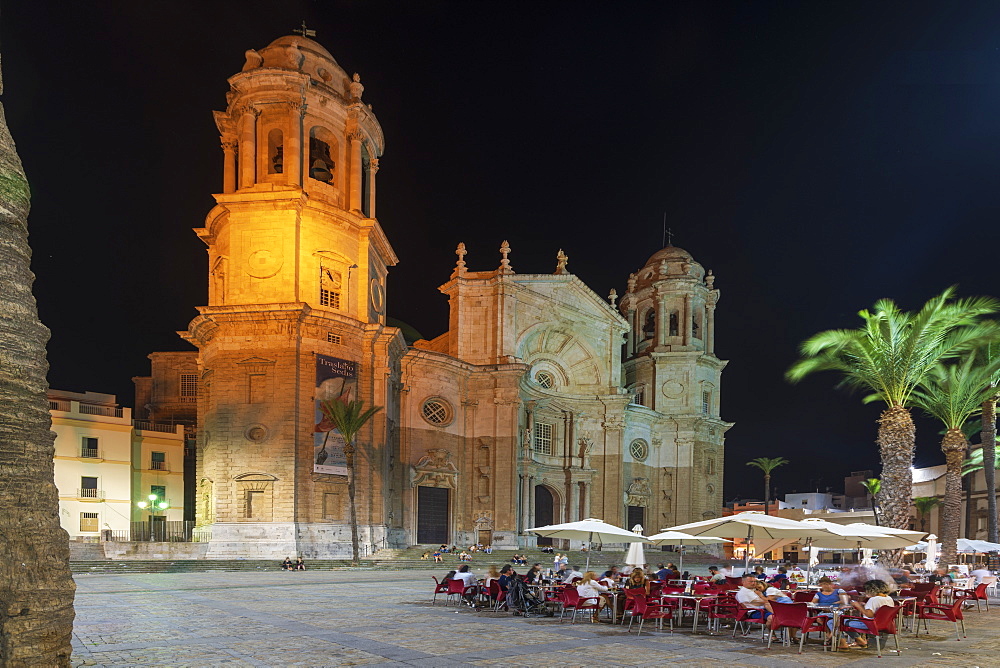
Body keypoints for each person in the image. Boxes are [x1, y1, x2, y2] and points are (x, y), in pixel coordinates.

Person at [837, 579, 894, 649]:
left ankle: (843, 643)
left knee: (838, 622)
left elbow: (869, 615)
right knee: (845, 622)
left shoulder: (873, 599)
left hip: (870, 624)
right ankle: (859, 641)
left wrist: (858, 606)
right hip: (884, 624)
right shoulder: (888, 598)